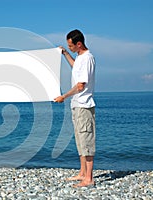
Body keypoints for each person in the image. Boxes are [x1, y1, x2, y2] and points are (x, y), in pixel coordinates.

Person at [54, 29, 96, 187]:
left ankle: (89, 179)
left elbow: (80, 85)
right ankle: (82, 173)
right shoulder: (80, 57)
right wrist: (65, 54)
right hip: (77, 105)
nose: (69, 47)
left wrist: (63, 96)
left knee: (87, 141)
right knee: (80, 140)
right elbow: (75, 67)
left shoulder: (87, 58)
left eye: (70, 45)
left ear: (79, 44)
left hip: (84, 106)